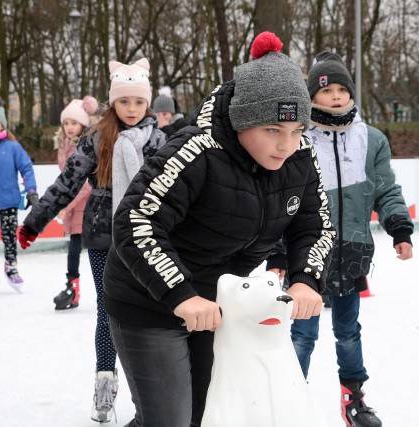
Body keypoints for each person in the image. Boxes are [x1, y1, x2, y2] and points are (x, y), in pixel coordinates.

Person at [101, 31, 335, 427]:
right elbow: (135, 220)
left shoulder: (300, 157)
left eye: (297, 130)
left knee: (205, 415)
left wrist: (307, 279)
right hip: (148, 300)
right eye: (273, 131)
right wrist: (180, 294)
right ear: (243, 121)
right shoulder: (196, 151)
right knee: (168, 419)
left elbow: (316, 224)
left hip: (218, 307)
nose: (287, 145)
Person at [268, 51, 414, 427]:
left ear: (351, 94)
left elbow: (386, 189)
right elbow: (282, 199)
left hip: (352, 250)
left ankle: (354, 398)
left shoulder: (371, 139)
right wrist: (279, 253)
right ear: (312, 97)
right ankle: (290, 400)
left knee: (348, 331)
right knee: (302, 332)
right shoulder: (298, 137)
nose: (335, 96)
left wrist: (399, 227)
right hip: (307, 253)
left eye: (341, 89)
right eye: (326, 89)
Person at [17, 58, 166, 423]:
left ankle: (147, 392)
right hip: (104, 235)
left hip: (147, 236)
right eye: (124, 101)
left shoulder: (160, 140)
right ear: (113, 102)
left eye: (138, 102)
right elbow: (67, 183)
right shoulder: (98, 137)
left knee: (149, 313)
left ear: (147, 104)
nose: (131, 109)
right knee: (108, 310)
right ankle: (104, 380)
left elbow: (175, 191)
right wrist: (35, 221)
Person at [0, 95, 38, 295]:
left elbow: (26, 169)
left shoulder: (13, 147)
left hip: (9, 202)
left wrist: (32, 191)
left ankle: (11, 266)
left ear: (3, 125)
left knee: (9, 237)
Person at [51, 96, 98, 310]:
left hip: (88, 207)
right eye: (66, 123)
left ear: (83, 125)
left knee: (92, 250)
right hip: (73, 206)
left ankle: (105, 290)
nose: (69, 127)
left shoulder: (85, 147)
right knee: (74, 249)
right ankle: (73, 289)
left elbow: (86, 185)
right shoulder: (64, 146)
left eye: (74, 123)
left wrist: (65, 205)